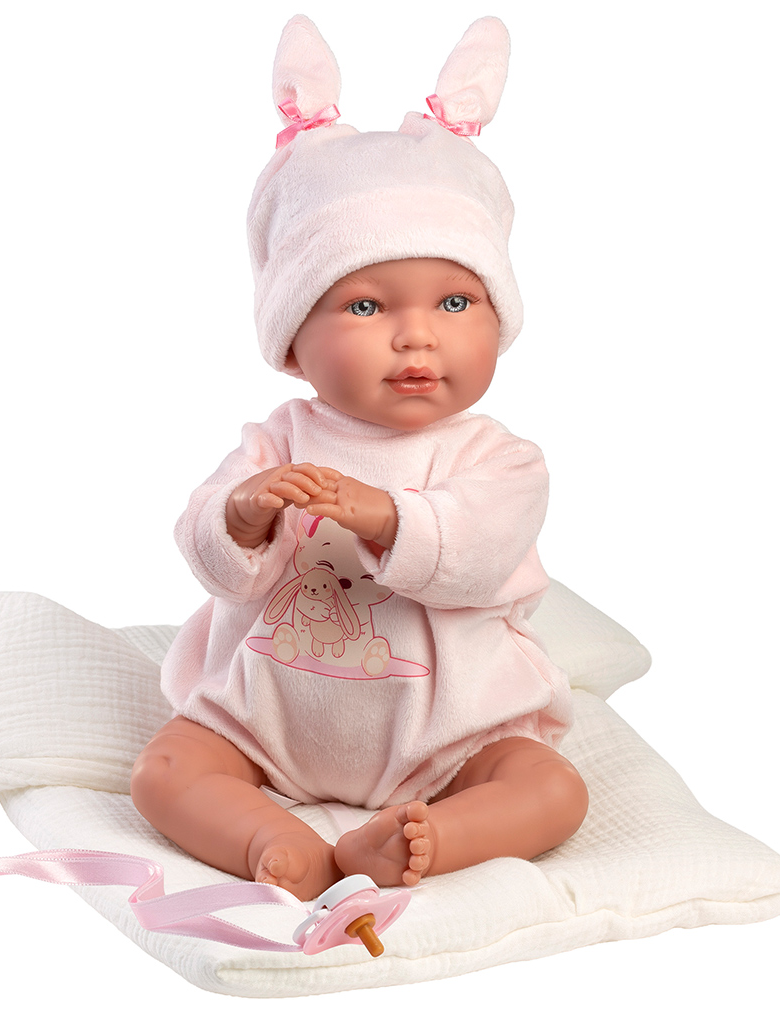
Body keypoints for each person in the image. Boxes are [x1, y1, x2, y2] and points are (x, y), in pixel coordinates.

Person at [131, 15, 588, 902]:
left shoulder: (501, 460)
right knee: (165, 771)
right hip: (263, 723)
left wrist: (386, 515)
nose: (417, 335)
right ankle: (271, 838)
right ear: (293, 342)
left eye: (454, 302)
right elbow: (206, 549)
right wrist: (242, 514)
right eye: (368, 307)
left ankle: (430, 836)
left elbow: (478, 552)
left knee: (551, 790)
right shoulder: (275, 443)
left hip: (452, 737)